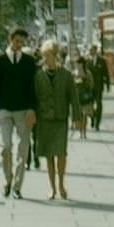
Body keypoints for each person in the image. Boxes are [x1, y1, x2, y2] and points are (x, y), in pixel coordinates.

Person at [0, 27, 36, 199]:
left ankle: (17, 186)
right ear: (10, 40)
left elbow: (32, 88)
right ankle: (7, 180)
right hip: (4, 109)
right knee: (6, 147)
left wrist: (32, 108)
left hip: (23, 110)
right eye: (17, 41)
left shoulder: (29, 62)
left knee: (23, 150)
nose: (19, 45)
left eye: (22, 42)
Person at [34, 40, 80, 200]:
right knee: (48, 154)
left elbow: (74, 97)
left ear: (55, 56)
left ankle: (61, 183)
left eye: (47, 56)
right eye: (43, 56)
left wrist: (76, 118)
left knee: (61, 153)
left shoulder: (66, 75)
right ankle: (52, 187)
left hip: (60, 119)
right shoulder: (38, 75)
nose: (45, 59)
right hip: (44, 119)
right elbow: (35, 97)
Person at [87, 43, 110, 130]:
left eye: (91, 50)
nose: (90, 52)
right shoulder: (87, 61)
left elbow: (106, 73)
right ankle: (92, 118)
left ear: (95, 51)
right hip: (89, 87)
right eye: (89, 50)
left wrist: (107, 85)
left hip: (99, 86)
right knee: (90, 104)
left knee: (99, 104)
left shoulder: (102, 61)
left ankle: (97, 123)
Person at [72, 56, 93, 139]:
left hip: (85, 96)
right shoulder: (74, 73)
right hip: (77, 96)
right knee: (79, 115)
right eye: (77, 64)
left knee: (85, 115)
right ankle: (80, 132)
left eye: (78, 64)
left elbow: (91, 84)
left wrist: (85, 81)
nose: (77, 65)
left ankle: (84, 132)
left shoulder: (88, 73)